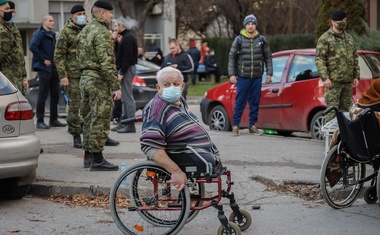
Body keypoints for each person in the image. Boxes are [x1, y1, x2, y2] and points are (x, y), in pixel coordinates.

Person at [140, 67, 220, 190]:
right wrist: (176, 171)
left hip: (195, 152)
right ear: (158, 88)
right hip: (183, 154)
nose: (172, 87)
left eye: (176, 84)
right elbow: (150, 147)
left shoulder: (179, 100)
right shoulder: (157, 108)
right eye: (166, 84)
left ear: (182, 87)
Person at [76, 0, 121, 171]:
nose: (111, 17)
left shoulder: (85, 30)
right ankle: (98, 159)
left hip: (85, 78)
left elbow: (78, 57)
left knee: (88, 118)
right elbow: (106, 62)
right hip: (97, 81)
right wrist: (116, 85)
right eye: (110, 13)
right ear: (102, 13)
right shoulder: (102, 32)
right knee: (100, 118)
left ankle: (88, 156)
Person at [228, 14, 273, 136]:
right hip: (243, 77)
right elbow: (232, 57)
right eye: (248, 24)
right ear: (245, 26)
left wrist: (269, 73)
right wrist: (232, 74)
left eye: (252, 24)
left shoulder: (262, 40)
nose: (250, 26)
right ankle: (235, 126)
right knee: (240, 102)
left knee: (255, 102)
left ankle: (252, 125)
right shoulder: (239, 40)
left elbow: (268, 57)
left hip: (257, 77)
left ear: (256, 25)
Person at [316, 10, 360, 123]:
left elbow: (354, 57)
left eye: (345, 20)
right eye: (340, 20)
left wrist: (356, 76)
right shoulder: (325, 39)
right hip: (333, 83)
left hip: (347, 82)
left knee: (346, 113)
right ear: (333, 22)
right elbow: (320, 59)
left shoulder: (349, 38)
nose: (343, 22)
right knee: (332, 112)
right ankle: (330, 139)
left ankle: (343, 139)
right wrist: (325, 78)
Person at [54, 5, 86, 149]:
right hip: (72, 76)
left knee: (89, 106)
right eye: (79, 14)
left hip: (86, 75)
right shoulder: (65, 32)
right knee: (74, 107)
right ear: (72, 15)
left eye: (84, 13)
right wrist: (63, 76)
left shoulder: (86, 29)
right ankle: (76, 135)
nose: (82, 16)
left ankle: (91, 133)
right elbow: (59, 56)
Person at [29, 15, 67, 129]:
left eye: (53, 20)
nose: (53, 22)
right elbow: (32, 46)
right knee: (43, 94)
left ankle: (53, 119)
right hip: (44, 68)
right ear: (44, 22)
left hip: (53, 68)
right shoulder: (40, 34)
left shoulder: (53, 34)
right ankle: (40, 121)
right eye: (50, 21)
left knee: (55, 94)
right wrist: (42, 59)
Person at [111, 16, 138, 134]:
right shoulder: (125, 37)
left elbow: (128, 57)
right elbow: (119, 54)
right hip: (124, 68)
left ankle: (130, 124)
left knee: (127, 97)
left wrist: (122, 72)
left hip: (126, 69)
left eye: (116, 26)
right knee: (124, 97)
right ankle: (124, 121)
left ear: (122, 26)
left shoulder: (128, 38)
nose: (115, 28)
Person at [0, 0, 28, 96]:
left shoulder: (12, 28)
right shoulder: (2, 31)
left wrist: (24, 76)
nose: (10, 12)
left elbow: (19, 54)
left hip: (17, 77)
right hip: (6, 80)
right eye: (7, 9)